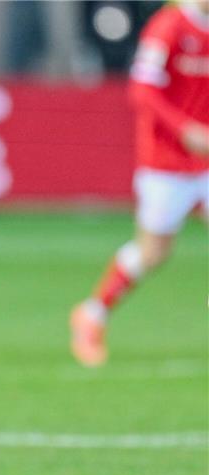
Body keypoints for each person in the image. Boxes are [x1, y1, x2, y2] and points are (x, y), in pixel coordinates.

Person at [70, 0, 208, 367]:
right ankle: (92, 314)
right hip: (166, 161)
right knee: (153, 252)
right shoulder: (170, 26)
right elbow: (142, 90)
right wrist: (185, 130)